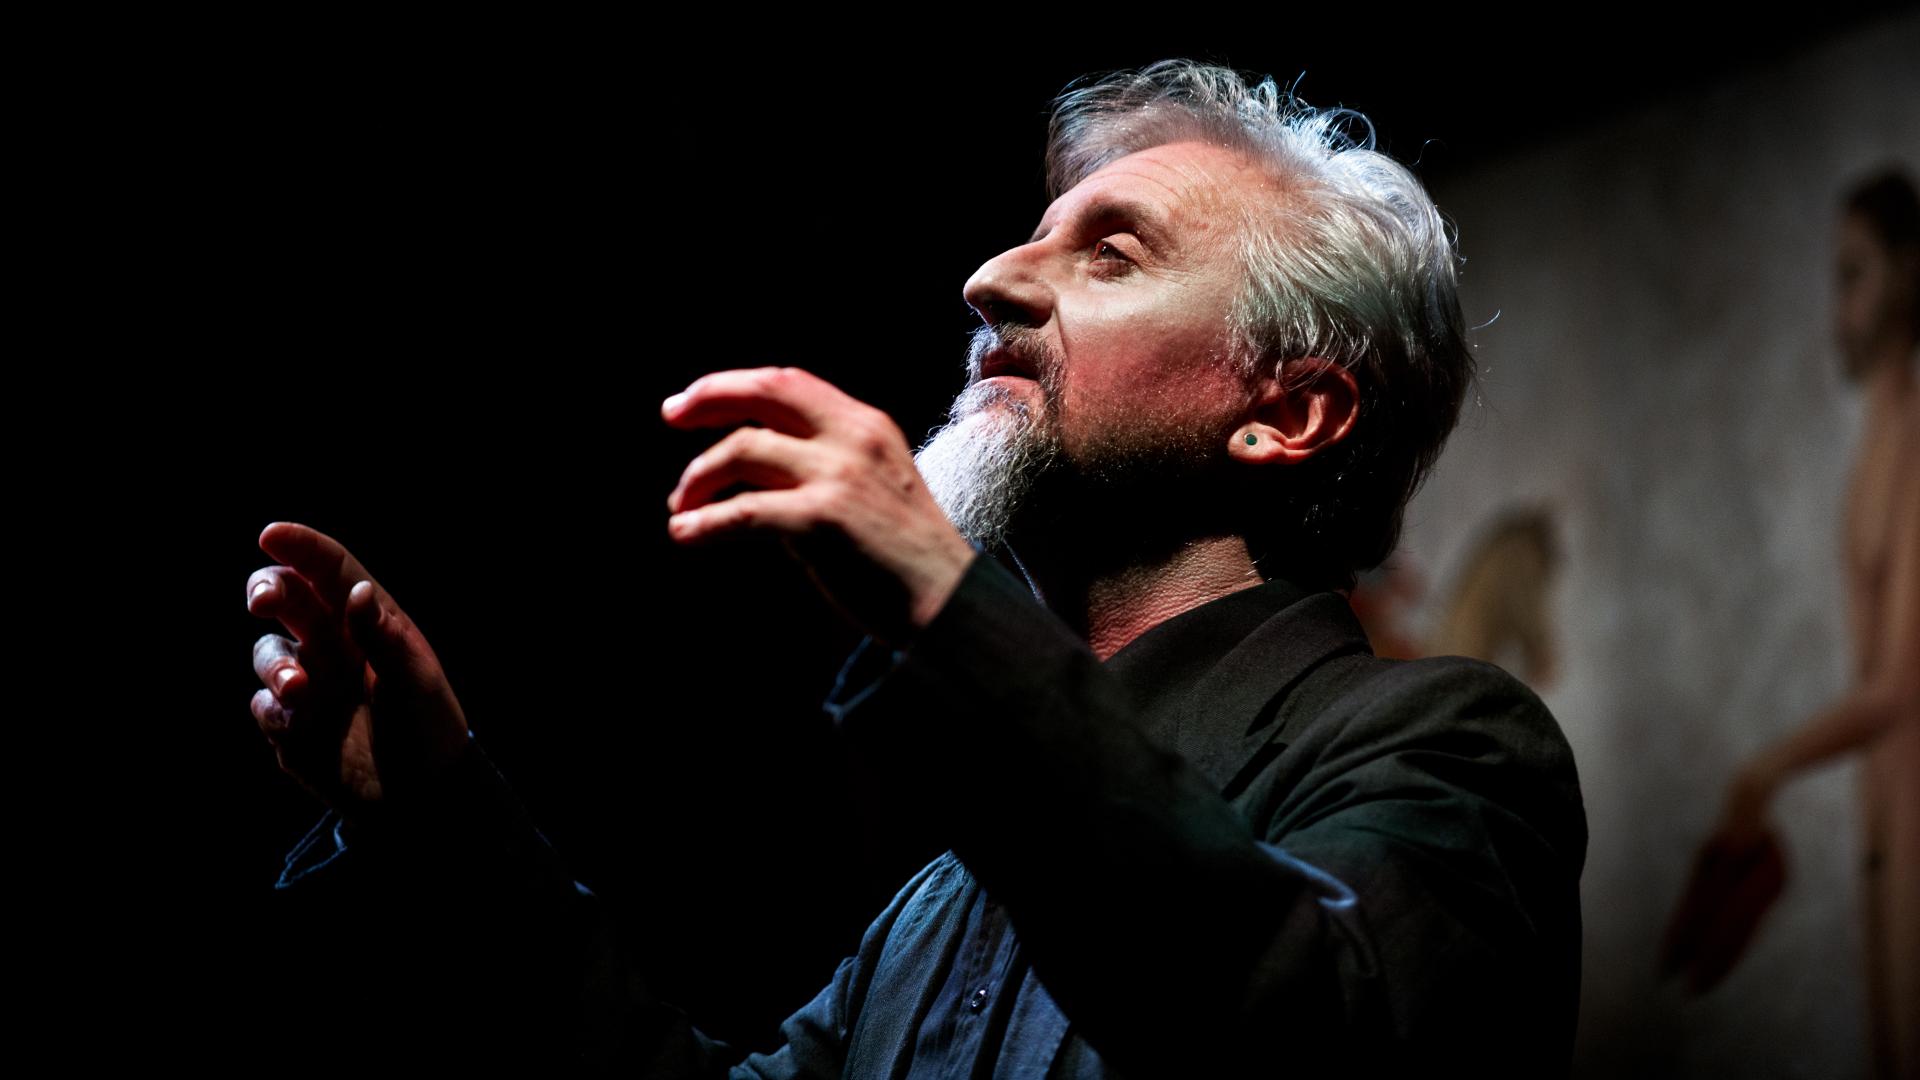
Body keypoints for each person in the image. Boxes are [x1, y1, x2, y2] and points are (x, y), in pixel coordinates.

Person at [248, 61, 1587, 1074]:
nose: (989, 278)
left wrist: (950, 611)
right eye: (1032, 234)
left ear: (1285, 412)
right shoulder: (941, 901)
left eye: (1110, 254)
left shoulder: (1447, 747)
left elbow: (1319, 1032)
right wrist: (433, 814)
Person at [1664, 170, 1920, 1079]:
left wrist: (1762, 772)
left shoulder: (1914, 441)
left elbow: (1899, 687)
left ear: (1909, 272)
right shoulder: (1878, 443)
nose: (1838, 309)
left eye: (1855, 275)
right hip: (1884, 819)